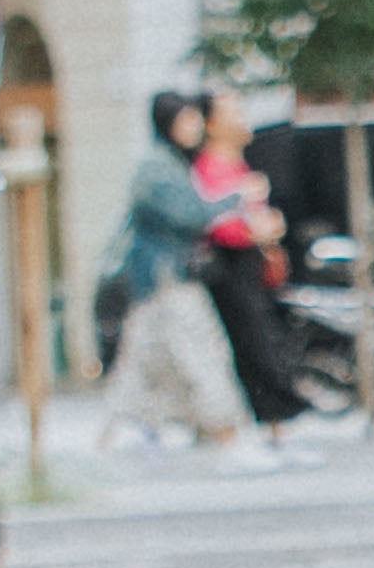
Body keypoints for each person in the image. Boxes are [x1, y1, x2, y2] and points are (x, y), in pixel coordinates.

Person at [98, 88, 247, 451]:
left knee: (146, 359)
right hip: (164, 277)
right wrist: (235, 197)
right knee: (198, 350)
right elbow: (189, 214)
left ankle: (119, 432)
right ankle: (221, 427)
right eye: (188, 120)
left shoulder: (173, 162)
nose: (195, 127)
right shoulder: (158, 167)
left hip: (160, 279)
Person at [190, 91, 309, 441]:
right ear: (211, 124)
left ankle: (276, 425)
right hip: (232, 268)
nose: (241, 118)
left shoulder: (238, 165)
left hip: (253, 266)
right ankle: (267, 423)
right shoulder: (209, 168)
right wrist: (253, 231)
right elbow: (215, 223)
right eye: (231, 112)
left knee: (266, 339)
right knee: (253, 343)